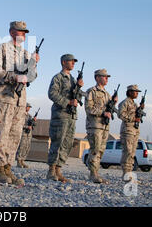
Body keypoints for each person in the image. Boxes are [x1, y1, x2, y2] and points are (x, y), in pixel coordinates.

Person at [0, 21, 39, 185]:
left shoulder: (26, 54)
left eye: (25, 32)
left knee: (15, 136)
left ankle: (8, 168)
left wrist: (33, 64)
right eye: (20, 31)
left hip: (20, 102)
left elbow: (32, 77)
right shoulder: (2, 49)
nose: (23, 34)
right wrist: (14, 77)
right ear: (12, 32)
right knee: (2, 134)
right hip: (4, 98)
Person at [46, 54, 83, 183]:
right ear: (63, 62)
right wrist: (67, 102)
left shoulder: (73, 80)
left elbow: (77, 98)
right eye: (71, 61)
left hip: (71, 116)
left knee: (67, 143)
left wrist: (79, 88)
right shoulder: (58, 77)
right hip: (60, 115)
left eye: (74, 61)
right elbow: (52, 93)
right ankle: (51, 170)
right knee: (57, 141)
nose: (73, 63)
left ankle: (58, 170)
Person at [84, 69, 116, 184]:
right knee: (95, 149)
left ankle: (96, 172)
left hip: (104, 126)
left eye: (107, 77)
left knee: (101, 150)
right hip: (95, 126)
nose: (106, 78)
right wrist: (103, 112)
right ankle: (93, 174)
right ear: (97, 78)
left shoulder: (107, 94)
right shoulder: (91, 91)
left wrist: (113, 103)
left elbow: (109, 109)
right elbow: (89, 108)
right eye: (104, 76)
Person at [118, 85, 142, 181]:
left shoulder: (135, 104)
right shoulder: (125, 102)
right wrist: (133, 118)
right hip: (127, 130)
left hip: (134, 130)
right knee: (127, 151)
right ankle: (125, 173)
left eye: (137, 92)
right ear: (130, 92)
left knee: (132, 152)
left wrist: (140, 109)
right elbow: (121, 114)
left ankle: (129, 172)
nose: (137, 93)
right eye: (135, 91)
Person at [16, 103, 37, 168]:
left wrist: (34, 121)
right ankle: (19, 161)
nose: (29, 108)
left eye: (29, 107)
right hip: (23, 134)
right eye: (28, 107)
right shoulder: (21, 115)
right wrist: (26, 127)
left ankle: (22, 160)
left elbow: (34, 125)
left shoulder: (30, 116)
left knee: (27, 147)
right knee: (21, 147)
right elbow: (19, 124)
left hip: (29, 134)